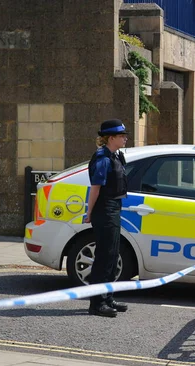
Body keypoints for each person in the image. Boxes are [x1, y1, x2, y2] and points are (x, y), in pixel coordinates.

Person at [85, 119, 130, 318]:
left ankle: (107, 297)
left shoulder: (116, 156)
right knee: (104, 257)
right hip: (104, 209)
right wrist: (89, 213)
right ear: (111, 138)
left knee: (112, 255)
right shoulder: (103, 158)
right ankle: (97, 303)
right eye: (121, 136)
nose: (125, 138)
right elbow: (95, 188)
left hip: (114, 207)